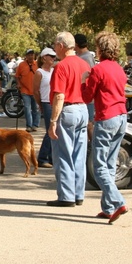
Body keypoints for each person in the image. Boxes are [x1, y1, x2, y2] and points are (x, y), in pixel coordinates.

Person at [81, 32, 128, 223]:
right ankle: (108, 207)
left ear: (99, 50)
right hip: (121, 116)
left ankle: (118, 202)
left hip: (106, 117)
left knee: (99, 166)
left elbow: (86, 97)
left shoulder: (98, 70)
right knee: (109, 163)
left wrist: (84, 79)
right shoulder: (119, 68)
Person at [47, 32, 90, 207]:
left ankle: (66, 196)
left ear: (61, 46)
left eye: (55, 45)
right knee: (79, 154)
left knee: (63, 154)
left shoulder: (62, 66)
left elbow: (59, 95)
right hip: (82, 108)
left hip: (68, 109)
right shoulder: (84, 64)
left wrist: (53, 121)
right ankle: (78, 193)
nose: (54, 49)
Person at [33, 47, 56, 169]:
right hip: (46, 102)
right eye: (50, 56)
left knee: (55, 130)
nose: (53, 58)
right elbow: (35, 91)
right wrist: (41, 104)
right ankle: (42, 158)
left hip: (54, 102)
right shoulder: (39, 72)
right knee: (49, 130)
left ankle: (52, 157)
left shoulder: (54, 71)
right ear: (44, 58)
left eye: (54, 56)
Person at [74, 34, 96, 138]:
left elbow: (92, 76)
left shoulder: (87, 57)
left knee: (88, 124)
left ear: (76, 44)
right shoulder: (78, 56)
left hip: (87, 97)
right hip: (79, 96)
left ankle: (92, 147)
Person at [16, 49, 40, 132]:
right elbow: (17, 76)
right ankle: (29, 125)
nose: (30, 56)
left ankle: (35, 125)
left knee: (36, 109)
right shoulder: (21, 65)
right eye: (29, 55)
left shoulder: (37, 64)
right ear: (26, 56)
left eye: (32, 55)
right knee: (27, 108)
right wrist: (18, 83)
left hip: (35, 90)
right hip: (25, 90)